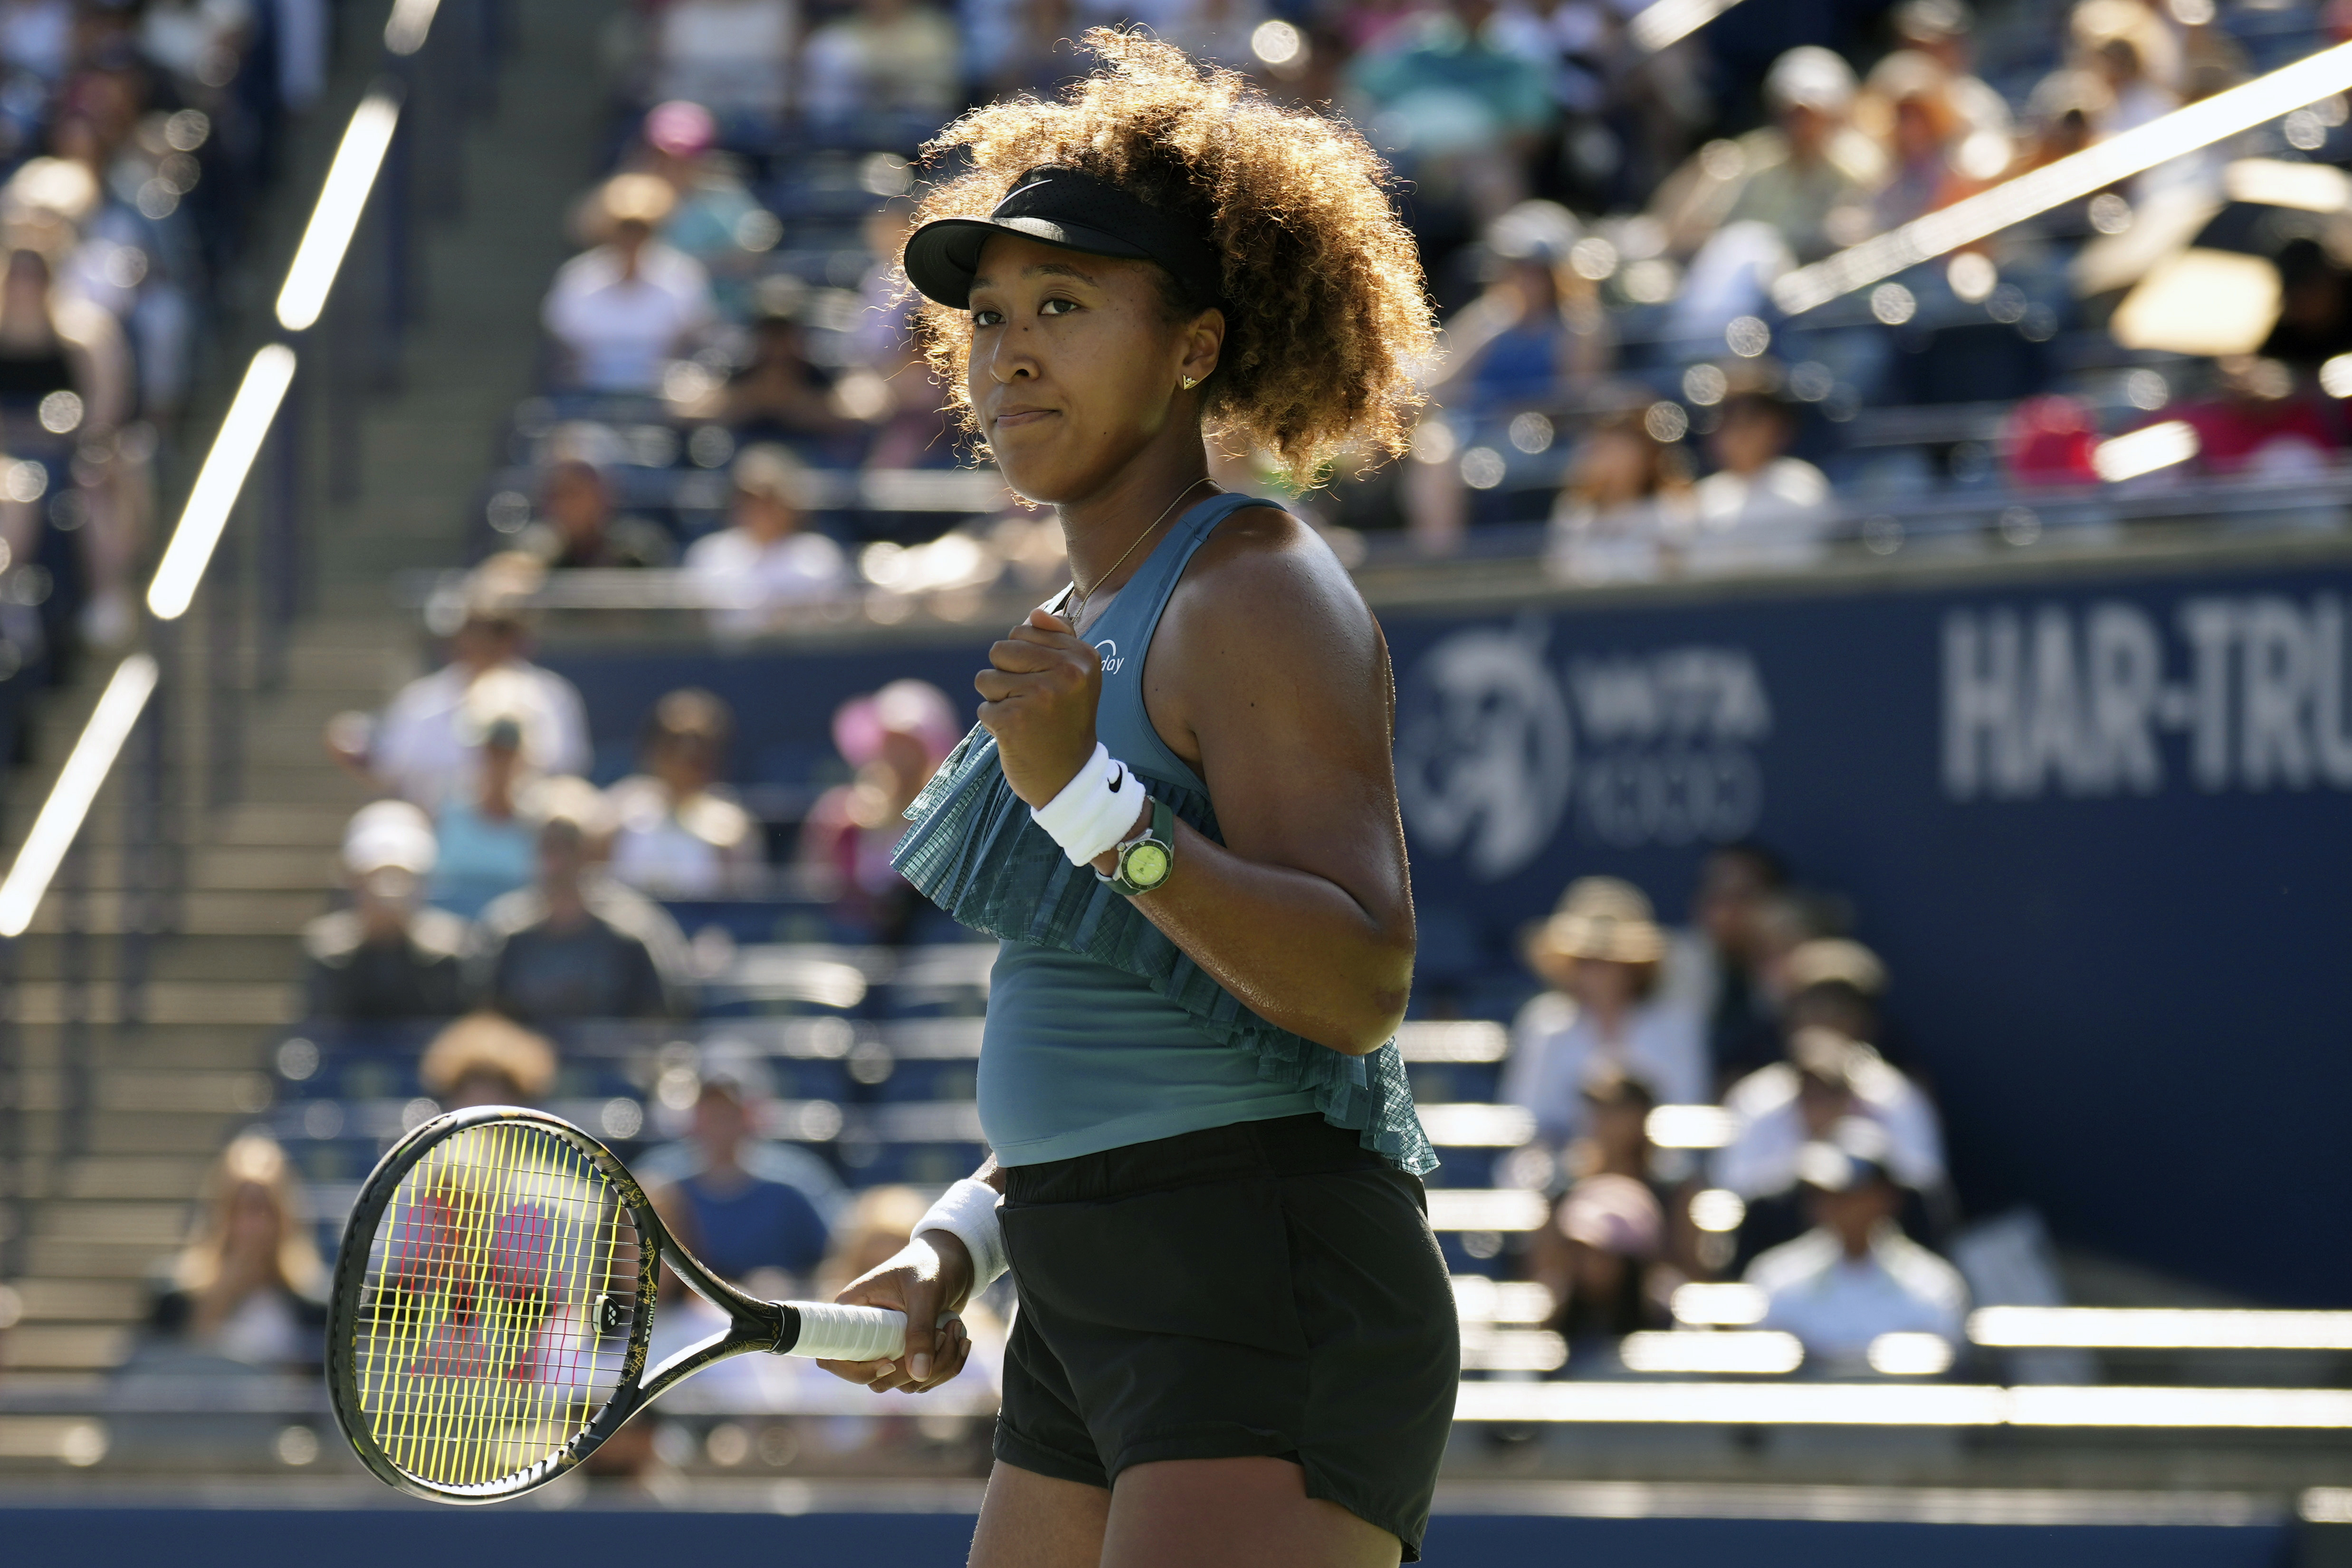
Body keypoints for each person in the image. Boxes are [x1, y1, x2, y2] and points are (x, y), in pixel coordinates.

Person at [825, 35, 1454, 1566]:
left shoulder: (1251, 583)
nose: (1009, 351)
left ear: (1194, 347)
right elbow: (1136, 1019)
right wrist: (956, 1242)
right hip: (1087, 1276)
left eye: (1064, 305)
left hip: (1257, 1275)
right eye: (986, 318)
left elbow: (1358, 979)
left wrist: (1101, 806)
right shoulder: (1090, 605)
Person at [329, 581, 590, 808]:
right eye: (471, 628)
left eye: (496, 628)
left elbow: (566, 770)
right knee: (386, 826)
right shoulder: (420, 700)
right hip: (435, 825)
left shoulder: (551, 695)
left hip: (524, 828)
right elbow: (390, 773)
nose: (480, 640)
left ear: (516, 637)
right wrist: (358, 758)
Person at [1503, 877, 1709, 1146]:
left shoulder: (1677, 1025)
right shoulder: (1544, 1024)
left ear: (1634, 968)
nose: (1594, 974)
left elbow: (1687, 1109)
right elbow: (1528, 1115)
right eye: (1584, 961)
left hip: (1655, 1171)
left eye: (1608, 961)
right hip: (1559, 1170)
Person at [1745, 1122, 1968, 1367]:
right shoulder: (1775, 1279)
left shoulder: (1934, 1286)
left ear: (1886, 1198)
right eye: (1823, 1193)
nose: (1831, 1204)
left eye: (1848, 1193)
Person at [468, 789, 693, 1023]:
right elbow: (486, 1019)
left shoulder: (635, 933)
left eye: (568, 846)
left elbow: (659, 1022)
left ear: (589, 853)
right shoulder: (504, 933)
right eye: (548, 846)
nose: (557, 861)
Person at [650, 1051, 835, 1287]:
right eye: (711, 1111)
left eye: (731, 1112)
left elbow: (840, 1257)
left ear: (752, 1115)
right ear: (694, 1116)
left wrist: (792, 1285)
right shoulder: (660, 1185)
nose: (721, 1122)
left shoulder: (796, 1182)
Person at [144, 1135, 328, 1373]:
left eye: (265, 1210)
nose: (253, 1226)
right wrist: (222, 1294)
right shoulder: (173, 1300)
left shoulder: (314, 1307)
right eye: (242, 1208)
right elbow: (168, 1371)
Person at [797, 677, 960, 943]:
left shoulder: (953, 820)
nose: (899, 755)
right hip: (852, 951)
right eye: (891, 742)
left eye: (910, 743)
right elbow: (816, 893)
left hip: (925, 950)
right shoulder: (838, 820)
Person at [1713, 1026, 1946, 1202]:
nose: (1819, 1104)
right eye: (1810, 1092)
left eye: (1829, 1092)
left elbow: (1925, 1186)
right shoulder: (1757, 1104)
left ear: (1849, 1093)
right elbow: (1733, 1190)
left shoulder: (1895, 1100)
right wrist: (1797, 1174)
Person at [541, 173, 715, 395]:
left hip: (664, 395)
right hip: (587, 396)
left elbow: (691, 338)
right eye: (625, 228)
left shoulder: (684, 275)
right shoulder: (577, 276)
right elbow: (565, 343)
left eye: (642, 228)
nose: (632, 238)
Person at [301, 800, 468, 1019]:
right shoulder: (326, 950)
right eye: (375, 875)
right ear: (354, 879)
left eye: (403, 876)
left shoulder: (451, 951)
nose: (389, 889)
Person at [605, 687, 762, 896]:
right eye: (674, 742)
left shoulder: (734, 827)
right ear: (652, 749)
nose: (687, 754)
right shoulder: (616, 812)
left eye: (700, 744)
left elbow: (741, 902)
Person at [680, 444, 849, 637]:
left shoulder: (820, 556)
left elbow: (831, 624)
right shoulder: (708, 554)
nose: (760, 508)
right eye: (749, 497)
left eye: (770, 498)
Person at [1679, 376, 1834, 576]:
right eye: (1728, 423)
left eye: (1750, 422)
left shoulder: (1804, 484)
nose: (1739, 435)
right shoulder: (1700, 497)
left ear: (1779, 428)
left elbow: (1809, 561)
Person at [1544, 403, 1694, 584]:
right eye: (1604, 448)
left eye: (1624, 448)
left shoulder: (1671, 510)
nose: (1614, 460)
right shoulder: (1573, 512)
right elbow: (1560, 575)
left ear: (1647, 453)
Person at [426, 715, 542, 919]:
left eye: (506, 756)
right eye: (490, 754)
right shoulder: (446, 813)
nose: (497, 764)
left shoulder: (537, 824)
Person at [515, 457, 675, 570]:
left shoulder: (636, 549)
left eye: (576, 493)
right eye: (558, 495)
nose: (568, 505)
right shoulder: (536, 549)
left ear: (603, 496)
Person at [418, 1010, 560, 1109]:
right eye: (475, 1081)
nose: (486, 1098)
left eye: (502, 1086)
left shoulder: (533, 1154)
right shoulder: (435, 1153)